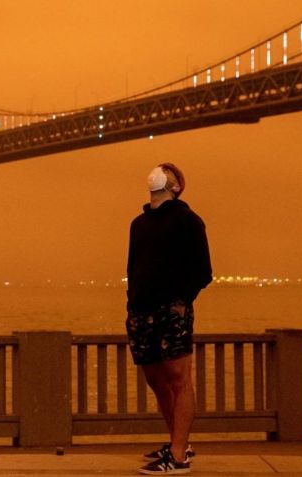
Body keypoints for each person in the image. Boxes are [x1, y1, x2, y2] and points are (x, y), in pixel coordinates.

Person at [126, 163, 212, 475]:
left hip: (171, 310)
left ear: (176, 186)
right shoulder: (138, 224)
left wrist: (179, 302)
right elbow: (132, 268)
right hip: (140, 312)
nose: (158, 170)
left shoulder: (188, 220)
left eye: (167, 170)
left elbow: (204, 272)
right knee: (156, 381)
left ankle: (177, 455)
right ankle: (178, 442)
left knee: (178, 378)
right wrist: (132, 302)